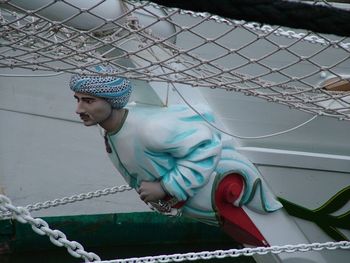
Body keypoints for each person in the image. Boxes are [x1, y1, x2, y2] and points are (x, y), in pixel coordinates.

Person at [70, 65, 283, 246]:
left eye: (88, 101)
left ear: (112, 101)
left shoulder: (151, 129)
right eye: (77, 99)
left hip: (220, 200)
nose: (78, 109)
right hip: (195, 207)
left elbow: (206, 147)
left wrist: (165, 187)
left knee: (268, 240)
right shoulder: (107, 129)